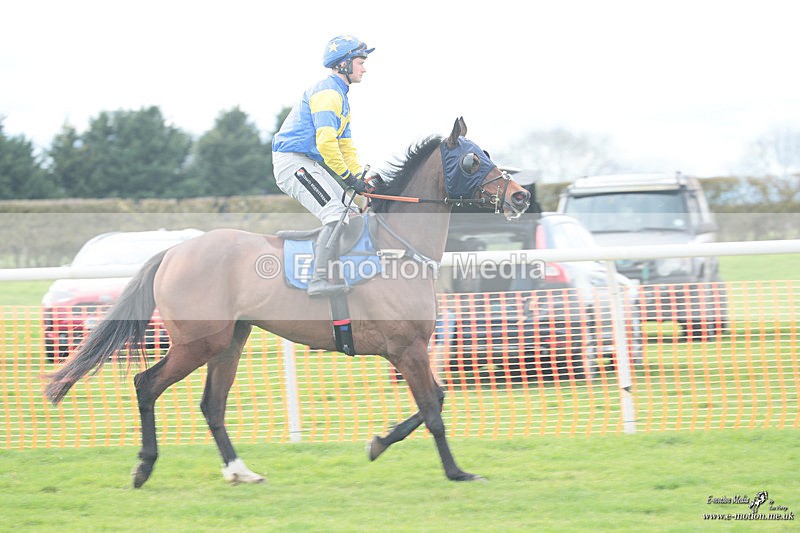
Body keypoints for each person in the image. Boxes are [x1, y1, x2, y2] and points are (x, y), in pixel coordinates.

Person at [272, 35, 375, 298]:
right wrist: (347, 178)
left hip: (306, 161)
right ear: (343, 64)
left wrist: (361, 179)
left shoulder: (341, 97)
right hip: (292, 162)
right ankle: (318, 280)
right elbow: (327, 143)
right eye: (360, 62)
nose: (364, 68)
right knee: (334, 213)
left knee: (351, 213)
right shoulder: (328, 94)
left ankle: (321, 245)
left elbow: (345, 146)